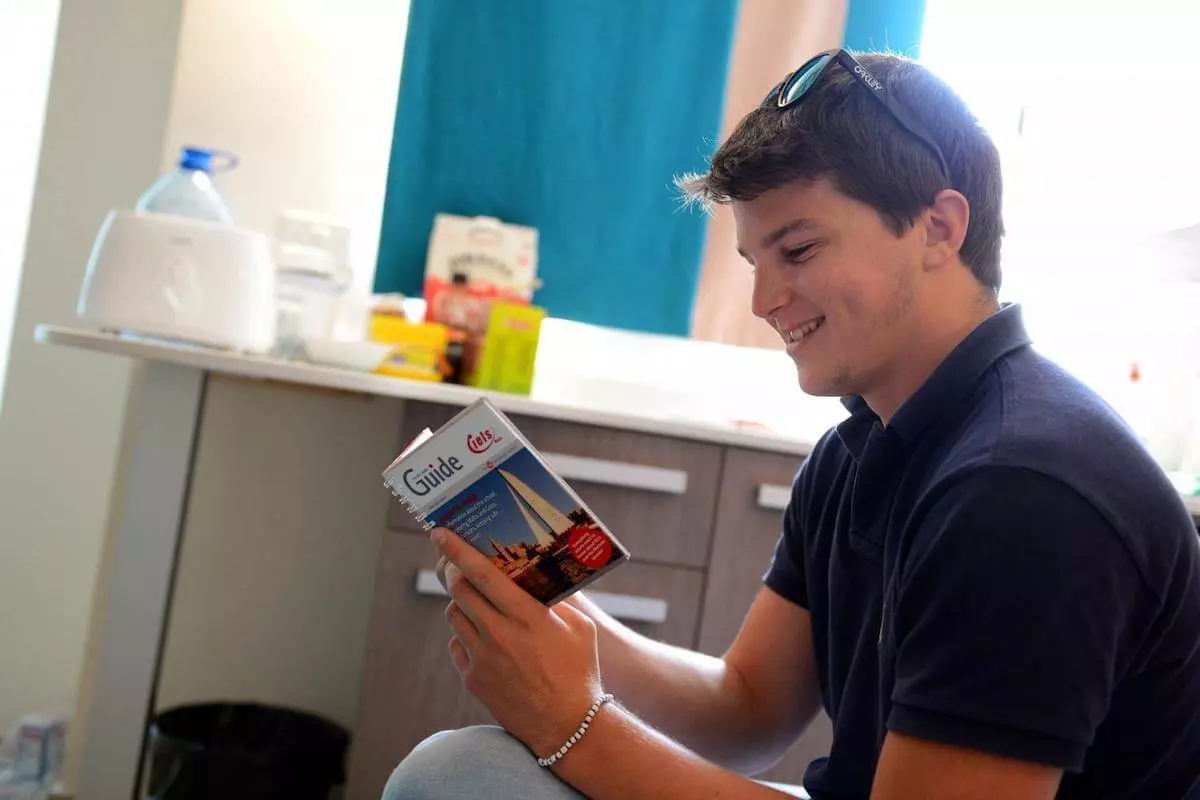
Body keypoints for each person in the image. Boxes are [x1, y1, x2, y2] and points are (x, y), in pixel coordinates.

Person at [382, 51, 1200, 800]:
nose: (764, 300)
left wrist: (574, 727)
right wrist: (551, 604)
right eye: (754, 263)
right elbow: (747, 711)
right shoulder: (862, 449)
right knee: (458, 773)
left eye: (798, 251)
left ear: (940, 229)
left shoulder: (1022, 494)